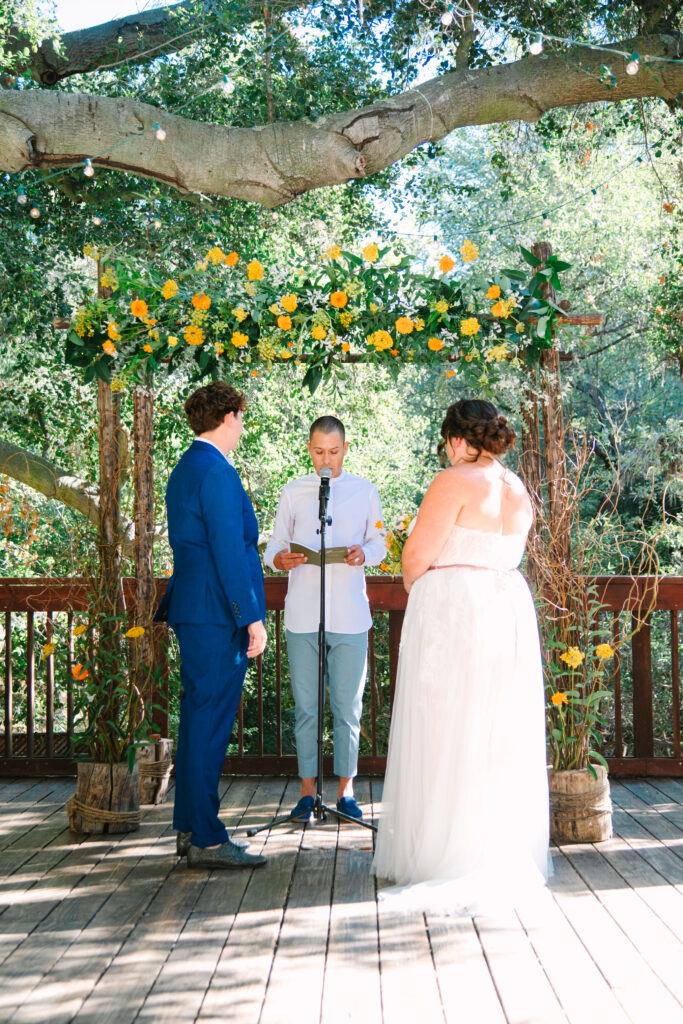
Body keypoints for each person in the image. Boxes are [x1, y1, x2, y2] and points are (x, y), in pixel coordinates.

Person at [372, 398, 550, 914]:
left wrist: (419, 589)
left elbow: (416, 557)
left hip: (456, 611)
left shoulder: (452, 481)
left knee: (445, 724)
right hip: (506, 607)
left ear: (456, 437)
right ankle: (492, 846)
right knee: (495, 729)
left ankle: (442, 854)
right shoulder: (516, 488)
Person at [155, 382, 268, 870]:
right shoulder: (217, 472)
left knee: (199, 719)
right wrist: (252, 618)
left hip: (196, 608)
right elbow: (228, 551)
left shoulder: (186, 467)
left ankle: (190, 826)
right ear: (229, 417)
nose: (243, 426)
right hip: (217, 612)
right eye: (241, 417)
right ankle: (205, 837)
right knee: (210, 721)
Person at [264, 416, 385, 822]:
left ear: (345, 450)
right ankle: (307, 792)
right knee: (306, 708)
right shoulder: (293, 491)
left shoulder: (365, 491)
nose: (326, 460)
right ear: (309, 449)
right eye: (318, 452)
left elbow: (381, 543)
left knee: (347, 707)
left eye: (334, 451)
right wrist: (278, 558)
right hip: (302, 614)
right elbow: (276, 543)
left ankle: (347, 791)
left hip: (350, 615)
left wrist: (363, 553)